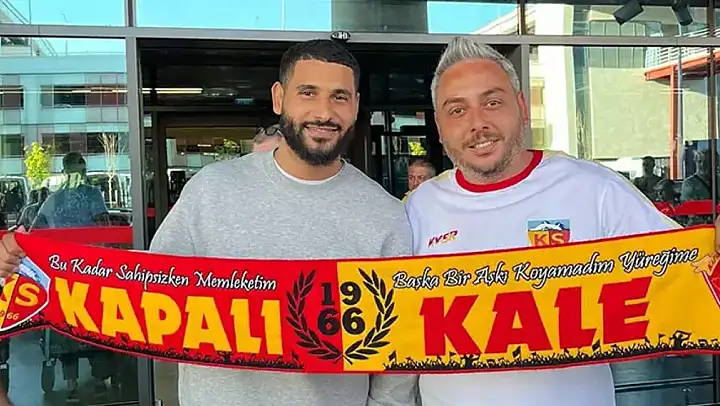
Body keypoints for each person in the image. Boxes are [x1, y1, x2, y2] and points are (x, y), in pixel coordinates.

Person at [0, 40, 418, 406]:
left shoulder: (383, 214)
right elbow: (145, 297)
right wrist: (30, 263)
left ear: (355, 106)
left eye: (339, 97)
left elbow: (398, 348)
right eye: (307, 93)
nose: (324, 112)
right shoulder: (211, 189)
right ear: (279, 98)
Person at [402, 36, 686, 406]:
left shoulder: (595, 189)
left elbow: (689, 275)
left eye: (492, 102)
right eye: (457, 110)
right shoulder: (416, 209)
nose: (478, 123)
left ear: (522, 107)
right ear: (440, 127)